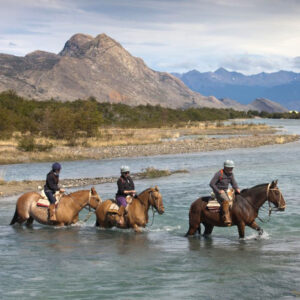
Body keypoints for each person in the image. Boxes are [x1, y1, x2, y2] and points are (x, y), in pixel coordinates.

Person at [209, 160, 240, 225]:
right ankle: (226, 217)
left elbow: (233, 183)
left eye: (232, 168)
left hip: (226, 190)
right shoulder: (219, 174)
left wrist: (237, 188)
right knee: (227, 201)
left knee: (237, 198)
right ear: (225, 167)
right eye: (230, 167)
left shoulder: (231, 174)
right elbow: (211, 184)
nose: (232, 169)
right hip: (218, 192)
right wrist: (218, 191)